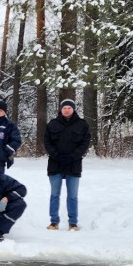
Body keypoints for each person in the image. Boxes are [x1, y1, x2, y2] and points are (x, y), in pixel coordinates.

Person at [44, 98, 91, 231]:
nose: (66, 110)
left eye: (69, 107)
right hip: (55, 164)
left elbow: (85, 143)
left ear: (73, 109)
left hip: (73, 165)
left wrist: (73, 157)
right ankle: (54, 222)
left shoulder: (82, 125)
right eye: (64, 107)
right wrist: (57, 156)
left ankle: (73, 223)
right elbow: (47, 143)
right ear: (61, 109)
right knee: (54, 195)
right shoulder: (52, 124)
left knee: (72, 196)